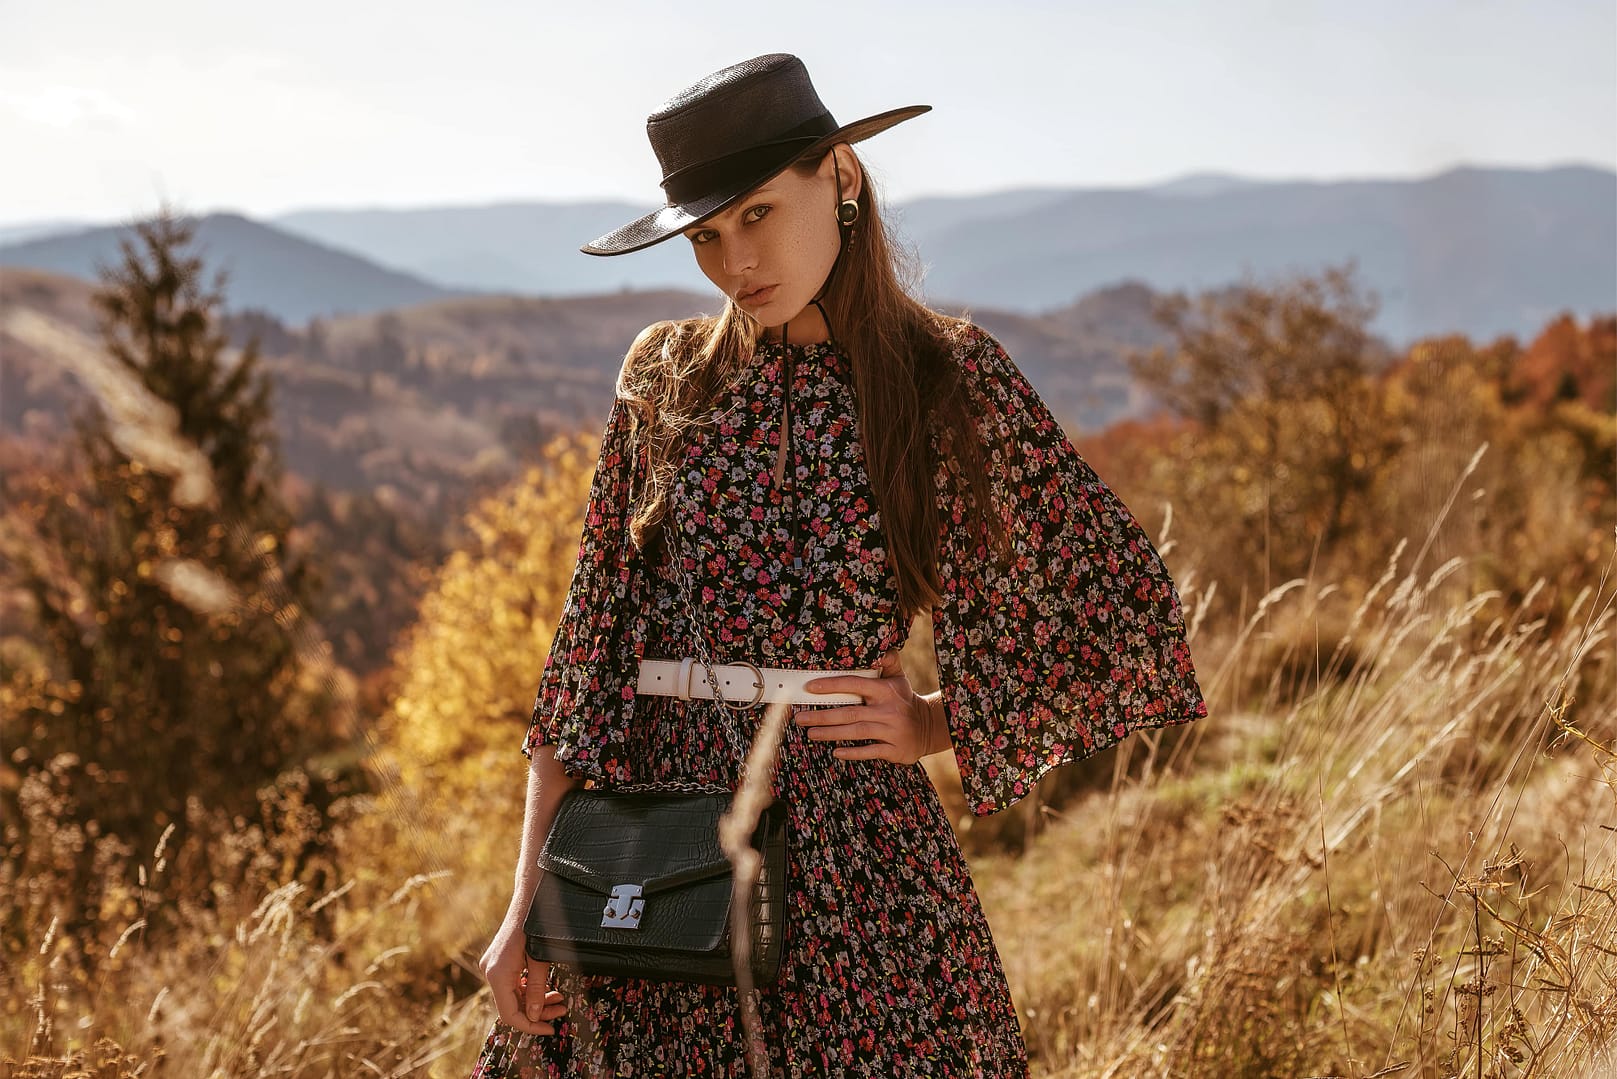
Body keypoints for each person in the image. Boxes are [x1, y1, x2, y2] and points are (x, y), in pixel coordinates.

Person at [470, 53, 1207, 1078]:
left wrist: (937, 720)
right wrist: (525, 910)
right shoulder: (664, 375)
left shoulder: (942, 378)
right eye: (707, 234)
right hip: (646, 861)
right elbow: (587, 662)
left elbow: (1118, 618)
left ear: (842, 177)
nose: (736, 262)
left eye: (759, 215)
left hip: (850, 860)